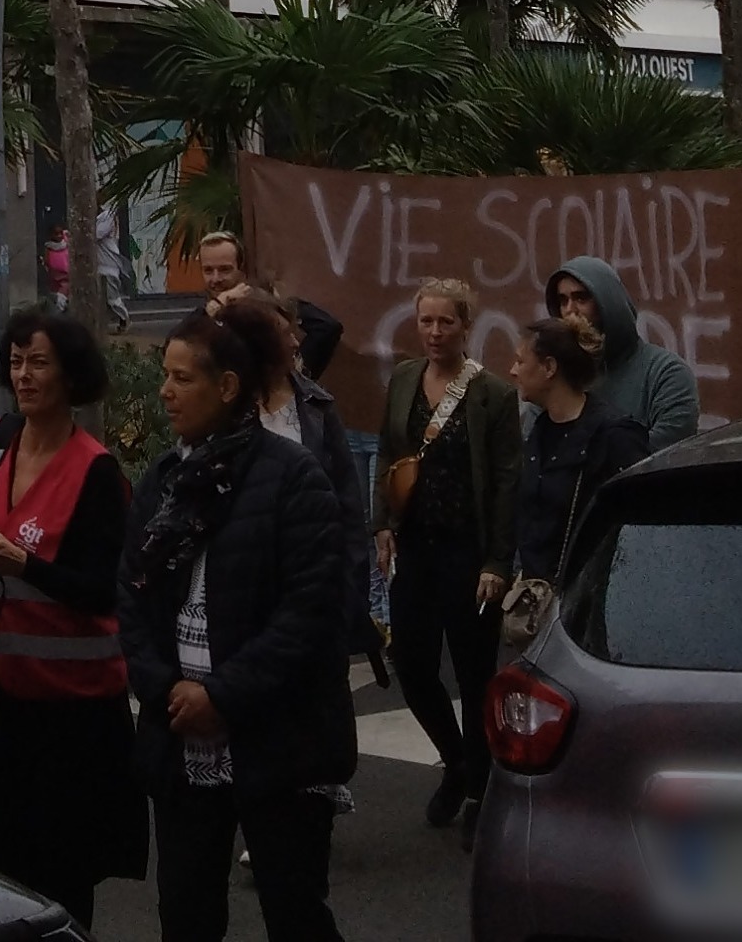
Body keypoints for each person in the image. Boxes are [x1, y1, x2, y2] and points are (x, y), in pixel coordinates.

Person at [121, 300, 355, 942]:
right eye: (164, 376)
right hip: (181, 739)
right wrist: (166, 689)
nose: (165, 392)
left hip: (279, 741)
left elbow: (310, 611)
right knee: (186, 914)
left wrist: (222, 696)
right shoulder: (164, 480)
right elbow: (133, 599)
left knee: (295, 913)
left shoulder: (294, 478)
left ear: (227, 386)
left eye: (182, 378)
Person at [0, 306, 145, 930]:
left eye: (38, 362)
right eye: (16, 362)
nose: (23, 375)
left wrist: (26, 565)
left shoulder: (96, 470)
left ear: (70, 375)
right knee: (5, 863)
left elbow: (104, 592)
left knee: (65, 871)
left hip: (73, 714)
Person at [373, 277, 518, 826]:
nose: (434, 332)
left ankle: (480, 788)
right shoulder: (404, 379)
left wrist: (497, 561)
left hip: (467, 551)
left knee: (475, 673)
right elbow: (389, 452)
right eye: (426, 321)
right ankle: (455, 761)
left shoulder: (493, 393)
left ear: (466, 326)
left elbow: (506, 482)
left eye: (446, 322)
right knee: (411, 664)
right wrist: (382, 523)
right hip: (415, 545)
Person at [224, 288, 367, 655]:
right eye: (282, 333)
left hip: (313, 580)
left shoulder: (317, 405)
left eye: (293, 331)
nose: (295, 342)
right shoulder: (223, 411)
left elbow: (348, 503)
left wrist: (349, 589)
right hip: (245, 587)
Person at [507, 317, 647, 585]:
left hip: (590, 593)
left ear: (549, 367)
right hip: (537, 593)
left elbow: (638, 523)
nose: (513, 371)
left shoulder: (613, 436)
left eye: (520, 361)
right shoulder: (539, 430)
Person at [544, 257, 698, 450]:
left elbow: (665, 453)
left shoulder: (665, 374)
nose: (570, 311)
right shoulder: (557, 377)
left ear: (608, 302)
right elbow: (531, 450)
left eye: (581, 298)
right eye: (562, 301)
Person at [196, 230, 342, 383]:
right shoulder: (206, 314)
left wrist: (298, 375)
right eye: (208, 270)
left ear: (241, 269)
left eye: (225, 269)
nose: (216, 278)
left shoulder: (262, 302)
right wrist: (217, 305)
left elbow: (327, 327)